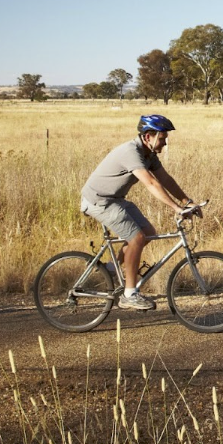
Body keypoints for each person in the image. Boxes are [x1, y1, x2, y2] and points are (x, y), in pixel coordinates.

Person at [80, 114, 197, 311]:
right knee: (137, 238)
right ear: (147, 136)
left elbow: (165, 179)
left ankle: (111, 270)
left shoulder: (149, 155)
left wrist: (187, 201)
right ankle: (129, 294)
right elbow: (151, 183)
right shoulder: (131, 152)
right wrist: (176, 208)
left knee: (147, 231)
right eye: (162, 139)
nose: (164, 143)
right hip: (98, 200)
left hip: (115, 199)